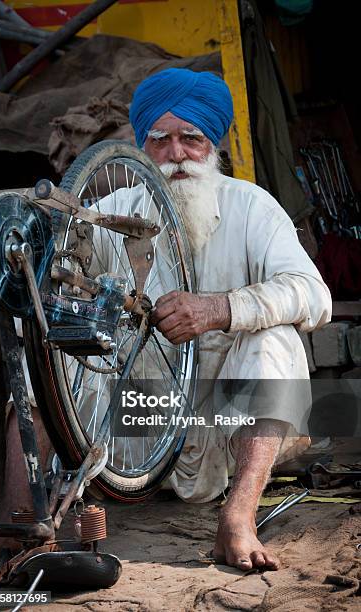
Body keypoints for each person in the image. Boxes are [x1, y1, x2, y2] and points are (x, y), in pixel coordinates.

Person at [128, 68, 332, 570]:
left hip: (229, 426)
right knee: (49, 345)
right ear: (142, 147)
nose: (176, 155)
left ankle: (238, 516)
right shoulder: (111, 214)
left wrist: (222, 309)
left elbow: (314, 295)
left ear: (213, 143)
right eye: (161, 141)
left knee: (276, 338)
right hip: (139, 427)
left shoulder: (251, 207)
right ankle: (23, 518)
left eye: (191, 139)